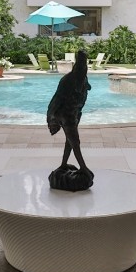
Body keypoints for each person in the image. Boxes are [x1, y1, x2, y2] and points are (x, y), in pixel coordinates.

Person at [46, 50, 94, 191]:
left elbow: (88, 87)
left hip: (75, 113)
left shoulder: (82, 79)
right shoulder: (67, 80)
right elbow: (57, 99)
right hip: (65, 114)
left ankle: (63, 164)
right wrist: (51, 117)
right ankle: (83, 167)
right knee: (75, 141)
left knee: (69, 141)